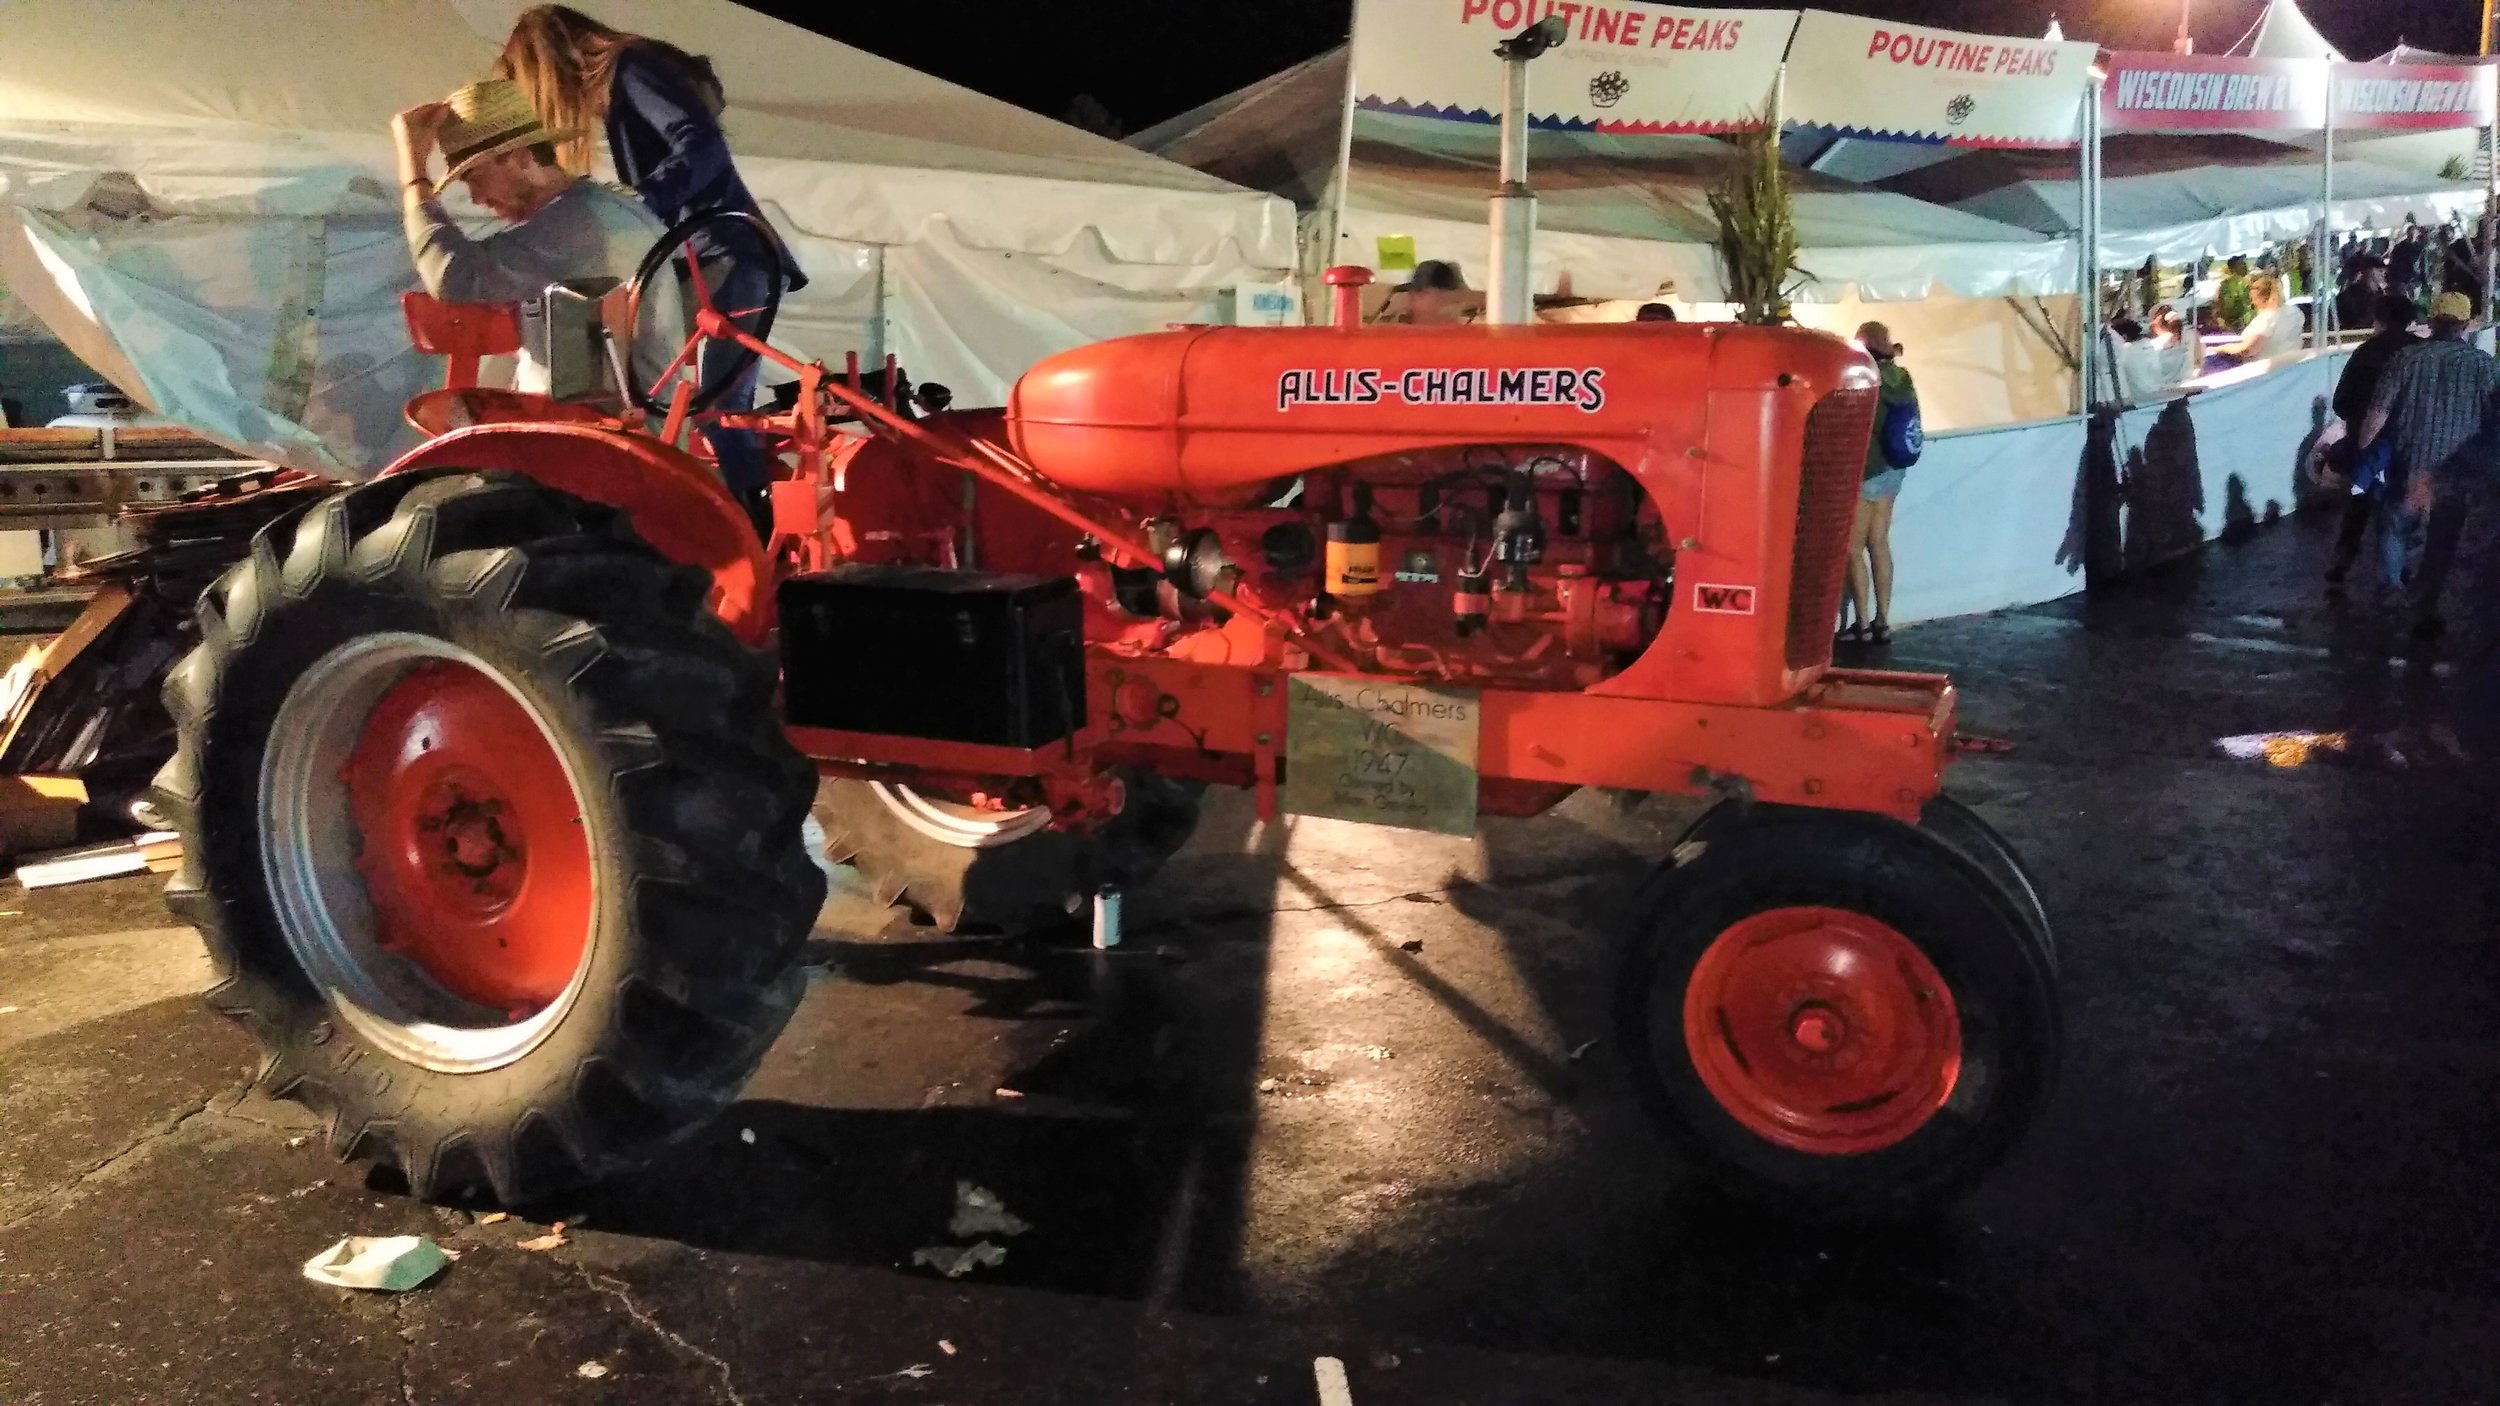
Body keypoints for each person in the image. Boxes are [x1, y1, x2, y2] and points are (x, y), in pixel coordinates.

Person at [498, 5, 806, 535]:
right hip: (710, 255)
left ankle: (754, 535)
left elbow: (701, 143)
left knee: (720, 408)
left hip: (729, 253)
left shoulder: (632, 66)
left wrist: (643, 204)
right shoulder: (627, 79)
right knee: (668, 391)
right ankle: (714, 519)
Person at [393, 78, 681, 396]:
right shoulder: (605, 207)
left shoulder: (573, 223)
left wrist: (414, 174)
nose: (476, 198)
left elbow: (452, 275)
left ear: (521, 157)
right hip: (627, 422)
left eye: (476, 178)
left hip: (598, 433)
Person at [2355, 291, 2500, 639]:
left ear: (2432, 322)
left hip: (2410, 468)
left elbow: (2376, 415)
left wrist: (2363, 451)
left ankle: (2391, 595)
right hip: (2456, 475)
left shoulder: (2405, 359)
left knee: (2395, 530)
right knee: (2441, 543)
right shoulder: (2486, 366)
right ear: (2466, 325)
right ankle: (2425, 608)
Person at [2323, 293, 2424, 588]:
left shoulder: (2365, 352)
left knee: (2359, 505)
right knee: (2401, 507)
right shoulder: (2420, 352)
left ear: (2379, 318)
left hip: (2365, 441)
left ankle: (2343, 561)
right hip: (2409, 442)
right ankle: (2397, 567)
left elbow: (2341, 402)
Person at [1842, 322, 1918, 645]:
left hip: (1866, 469)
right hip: (1892, 469)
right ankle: (1883, 621)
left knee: (1852, 548)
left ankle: (1860, 622)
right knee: (1880, 543)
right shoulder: (1903, 378)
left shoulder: (1865, 379)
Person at [2209, 273, 2304, 368]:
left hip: (2267, 371)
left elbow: (2248, 350)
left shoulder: (2267, 319)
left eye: (2253, 299)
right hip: (2292, 366)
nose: (2252, 303)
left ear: (2260, 299)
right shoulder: (2295, 312)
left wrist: (2220, 348)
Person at [1397, 260, 1478, 325]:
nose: (1412, 299)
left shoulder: (1464, 340)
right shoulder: (1405, 338)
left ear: (1447, 297)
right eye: (1412, 293)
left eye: (1423, 293)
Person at [2335, 254, 2387, 334]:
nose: (2383, 273)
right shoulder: (2349, 296)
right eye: (2379, 270)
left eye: (2383, 270)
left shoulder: (2384, 296)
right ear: (2367, 271)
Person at [2213, 255, 2254, 332]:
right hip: (2239, 325)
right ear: (2234, 268)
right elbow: (2227, 307)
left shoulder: (2247, 282)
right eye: (2241, 263)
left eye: (2244, 262)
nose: (2245, 265)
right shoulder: (2231, 285)